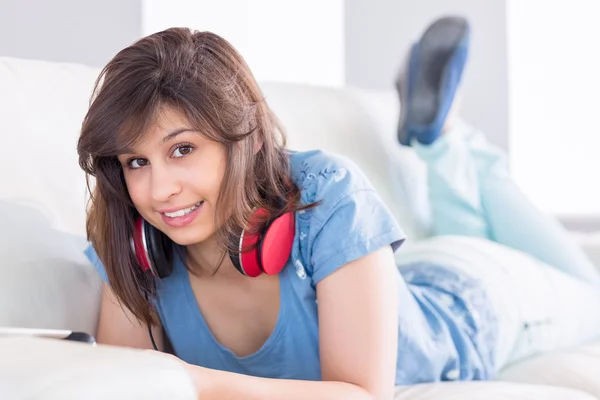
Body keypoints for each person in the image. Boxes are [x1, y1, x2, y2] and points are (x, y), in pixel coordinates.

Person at [77, 25, 600, 400]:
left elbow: (362, 394)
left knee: (591, 288)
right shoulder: (130, 244)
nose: (159, 190)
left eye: (182, 149)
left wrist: (194, 384)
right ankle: (441, 142)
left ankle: (449, 143)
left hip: (478, 301)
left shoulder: (326, 194)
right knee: (465, 235)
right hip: (395, 276)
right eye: (136, 161)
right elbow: (129, 386)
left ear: (248, 140)